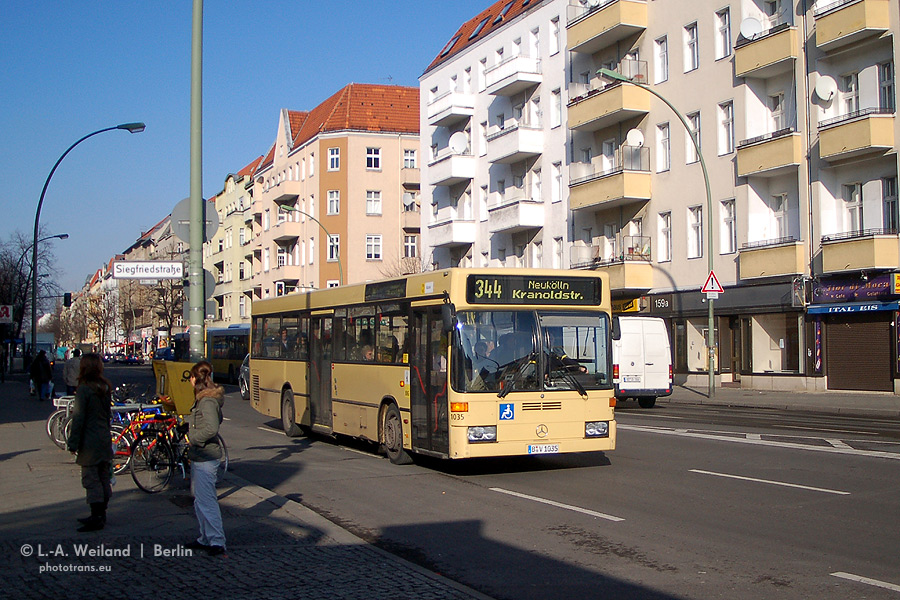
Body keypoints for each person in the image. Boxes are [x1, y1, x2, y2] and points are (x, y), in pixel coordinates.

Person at [65, 353, 113, 532]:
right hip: (103, 437)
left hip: (90, 441)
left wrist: (73, 443)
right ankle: (102, 512)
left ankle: (97, 516)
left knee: (91, 479)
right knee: (103, 476)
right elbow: (107, 415)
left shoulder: (84, 389)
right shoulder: (104, 386)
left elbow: (78, 418)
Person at [184, 360, 226, 556]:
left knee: (207, 500)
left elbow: (211, 427)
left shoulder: (207, 401)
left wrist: (192, 438)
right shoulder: (205, 398)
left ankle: (216, 540)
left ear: (196, 379)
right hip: (201, 456)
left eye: (191, 377)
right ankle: (206, 537)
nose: (189, 380)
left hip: (206, 456)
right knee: (200, 500)